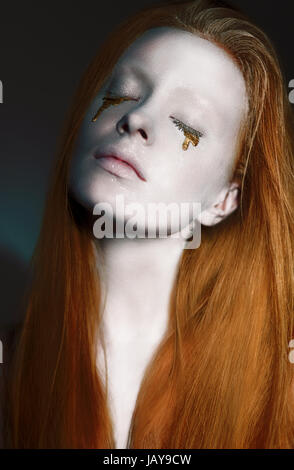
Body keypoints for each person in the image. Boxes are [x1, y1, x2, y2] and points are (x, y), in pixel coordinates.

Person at [3, 0, 294, 448]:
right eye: (120, 92)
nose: (135, 119)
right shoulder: (10, 372)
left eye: (186, 126)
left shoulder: (278, 400)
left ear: (224, 200)